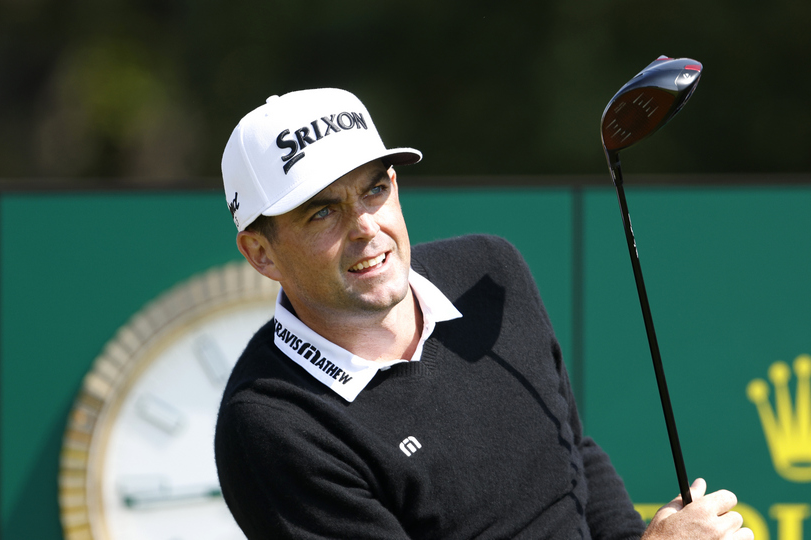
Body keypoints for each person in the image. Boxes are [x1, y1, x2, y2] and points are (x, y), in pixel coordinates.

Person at [214, 88, 752, 539]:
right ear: (261, 252)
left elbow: (572, 455)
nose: (365, 228)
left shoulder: (488, 271)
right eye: (323, 212)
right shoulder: (272, 424)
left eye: (374, 189)